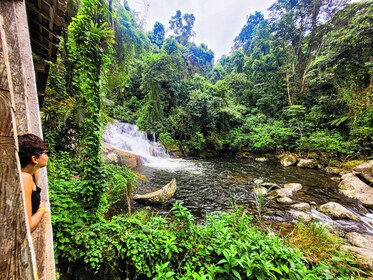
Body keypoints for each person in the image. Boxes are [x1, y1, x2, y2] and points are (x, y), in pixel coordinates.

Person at [18, 133, 49, 232]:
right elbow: (28, 226)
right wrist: (42, 209)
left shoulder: (32, 173)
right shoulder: (25, 178)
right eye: (46, 153)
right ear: (34, 159)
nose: (47, 155)